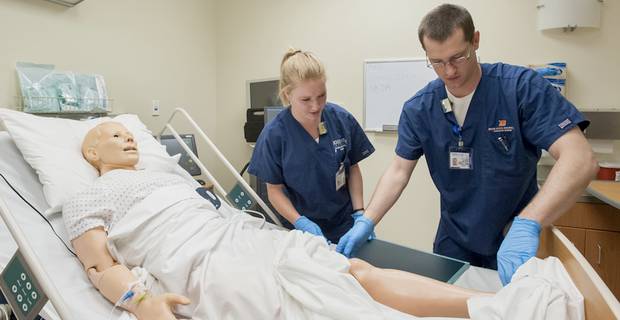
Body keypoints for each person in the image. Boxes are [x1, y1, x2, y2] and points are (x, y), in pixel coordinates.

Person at [65, 121, 489, 319]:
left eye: (129, 133)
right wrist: (142, 305)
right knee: (300, 303)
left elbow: (215, 210)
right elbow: (101, 267)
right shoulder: (85, 198)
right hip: (195, 255)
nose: (127, 138)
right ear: (91, 154)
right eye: (113, 135)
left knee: (351, 270)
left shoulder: (168, 176)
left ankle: (490, 307)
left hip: (239, 235)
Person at [337, 4, 598, 286]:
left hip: (513, 233)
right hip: (455, 240)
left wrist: (527, 224)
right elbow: (399, 170)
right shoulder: (419, 108)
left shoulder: (520, 88)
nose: (448, 71)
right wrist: (368, 220)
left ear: (475, 40)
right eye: (436, 62)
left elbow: (580, 159)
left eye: (458, 57)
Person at [248, 48, 376, 244]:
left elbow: (352, 168)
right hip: (300, 231)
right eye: (306, 99)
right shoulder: (274, 135)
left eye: (322, 96)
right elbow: (274, 190)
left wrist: (360, 214)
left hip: (344, 223)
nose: (316, 106)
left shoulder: (340, 119)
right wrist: (300, 222)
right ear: (287, 95)